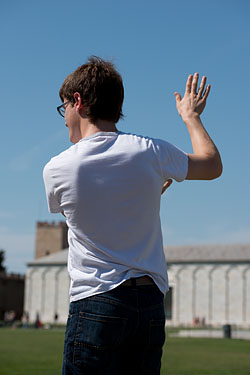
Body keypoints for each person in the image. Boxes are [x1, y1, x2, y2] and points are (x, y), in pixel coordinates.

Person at [43, 56, 222, 375]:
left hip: (95, 300)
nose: (65, 117)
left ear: (78, 102)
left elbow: (82, 215)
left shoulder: (57, 169)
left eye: (64, 108)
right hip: (149, 305)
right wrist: (191, 117)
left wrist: (138, 196)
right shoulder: (150, 151)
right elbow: (211, 165)